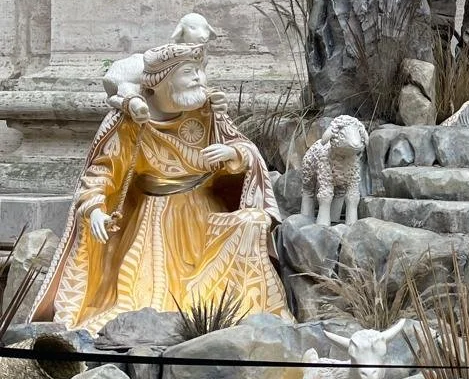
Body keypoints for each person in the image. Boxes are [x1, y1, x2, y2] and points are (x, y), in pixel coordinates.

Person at [32, 39, 287, 331]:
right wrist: (95, 209)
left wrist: (234, 153)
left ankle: (234, 317)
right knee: (149, 297)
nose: (198, 78)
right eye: (188, 72)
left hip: (205, 212)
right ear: (161, 81)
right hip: (156, 223)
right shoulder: (131, 121)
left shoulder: (206, 110)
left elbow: (243, 147)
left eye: (199, 70)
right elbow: (102, 171)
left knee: (253, 222)